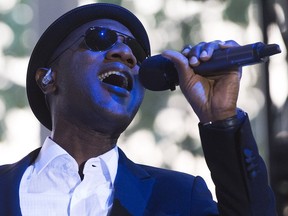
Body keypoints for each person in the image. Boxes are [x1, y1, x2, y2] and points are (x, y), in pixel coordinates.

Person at [0, 3, 277, 216]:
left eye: (135, 52)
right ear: (48, 78)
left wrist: (221, 120)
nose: (126, 54)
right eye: (100, 38)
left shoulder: (180, 197)